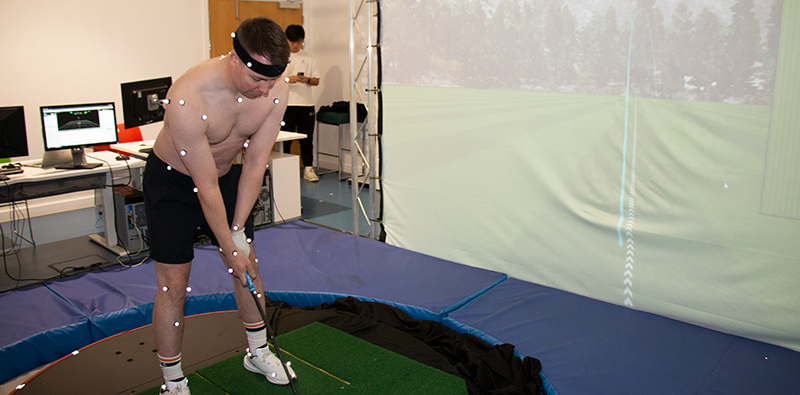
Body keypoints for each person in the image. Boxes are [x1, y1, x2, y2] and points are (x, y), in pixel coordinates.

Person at [142, 17, 296, 395]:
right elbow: (203, 185)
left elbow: (256, 162)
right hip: (174, 186)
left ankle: (258, 352)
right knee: (173, 287)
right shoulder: (187, 97)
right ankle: (173, 380)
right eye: (256, 79)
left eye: (271, 80)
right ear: (233, 58)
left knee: (248, 265)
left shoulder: (276, 90)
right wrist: (228, 244)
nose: (264, 89)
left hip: (226, 179)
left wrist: (238, 232)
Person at [281, 24, 321, 182]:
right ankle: (284, 169)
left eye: (297, 42)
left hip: (306, 104)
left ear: (302, 41)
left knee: (307, 138)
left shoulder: (309, 58)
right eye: (291, 42)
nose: (294, 45)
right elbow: (273, 80)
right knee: (285, 139)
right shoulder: (280, 57)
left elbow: (316, 80)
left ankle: (308, 168)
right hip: (287, 104)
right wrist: (287, 79)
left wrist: (307, 80)